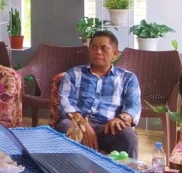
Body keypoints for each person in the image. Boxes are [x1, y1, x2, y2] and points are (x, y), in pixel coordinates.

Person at [55, 30, 141, 159]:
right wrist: (83, 123)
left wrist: (121, 118)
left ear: (115, 54)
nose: (98, 52)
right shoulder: (73, 74)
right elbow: (65, 101)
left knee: (127, 135)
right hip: (78, 124)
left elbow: (133, 106)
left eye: (104, 48)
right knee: (66, 126)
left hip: (108, 128)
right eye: (94, 47)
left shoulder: (127, 78)